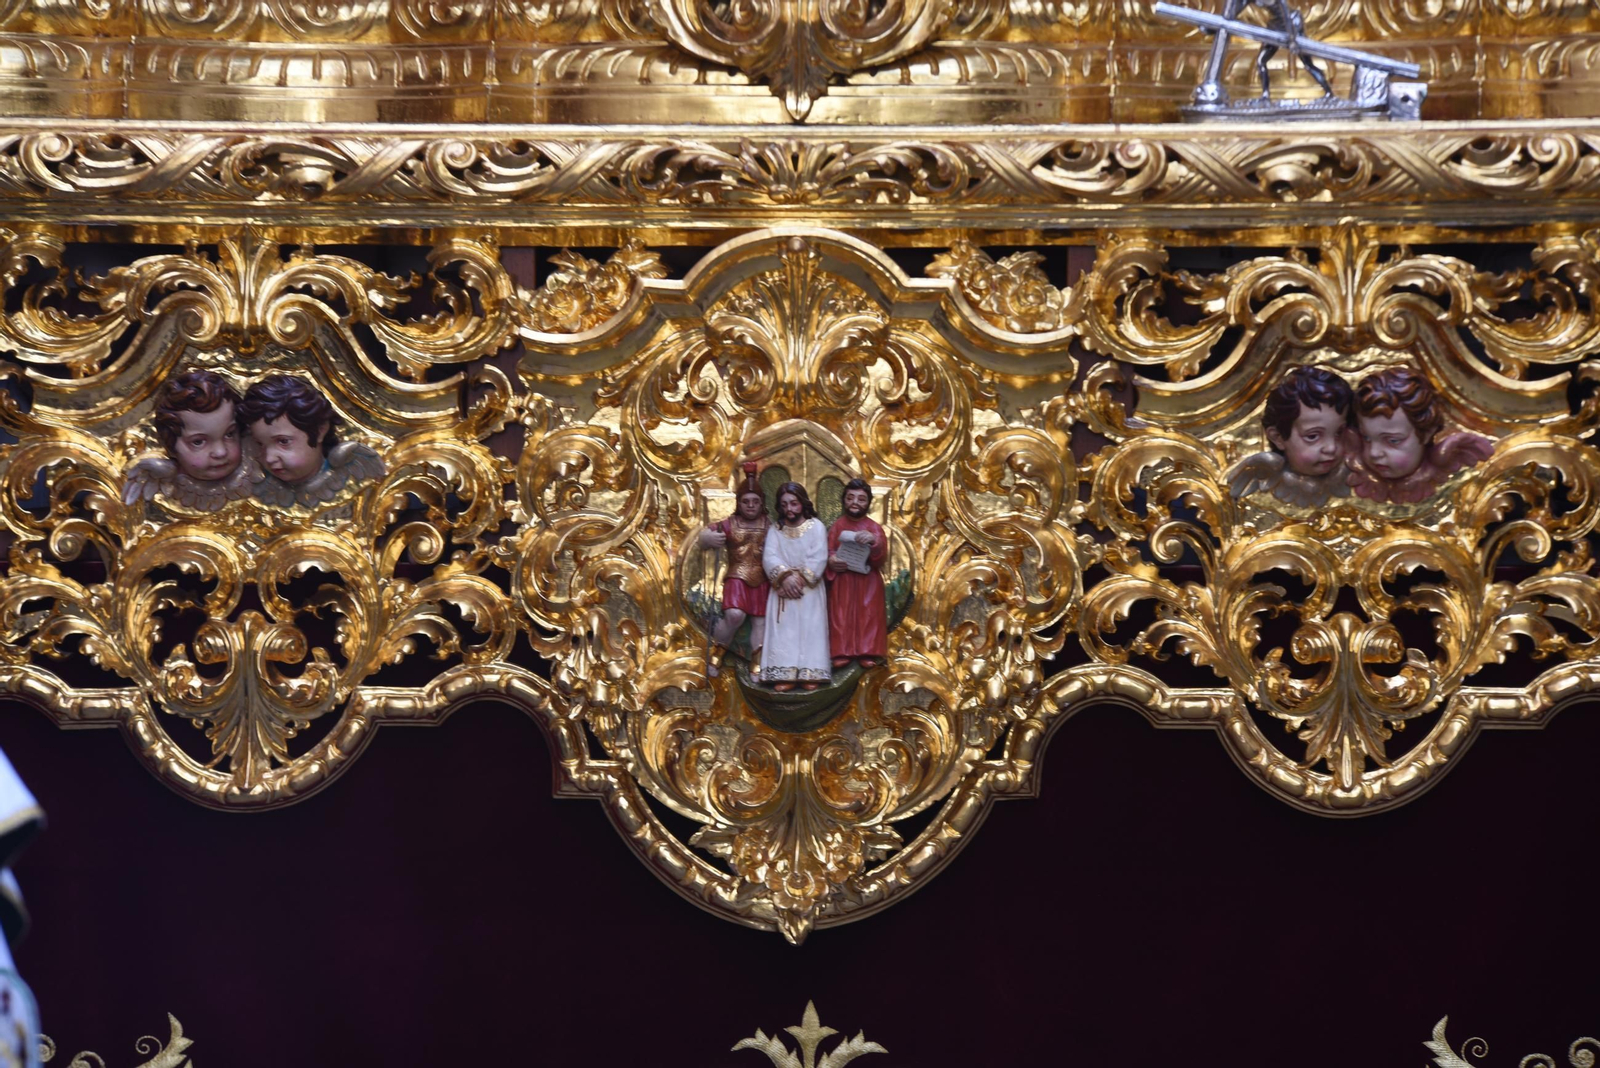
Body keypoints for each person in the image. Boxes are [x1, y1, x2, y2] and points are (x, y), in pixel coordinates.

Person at [1349, 366, 1494, 504]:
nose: (1374, 453)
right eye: (1366, 438)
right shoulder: (1355, 465)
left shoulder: (1442, 465)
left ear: (1426, 434)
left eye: (1392, 441)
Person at [238, 375, 385, 508]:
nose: (269, 458)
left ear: (320, 430)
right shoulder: (259, 483)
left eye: (283, 442)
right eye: (259, 444)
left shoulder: (348, 470)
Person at [123, 369, 260, 511]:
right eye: (198, 442)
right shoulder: (171, 481)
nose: (220, 452)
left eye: (230, 434)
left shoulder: (261, 456)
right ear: (170, 447)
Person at [1226, 366, 1355, 508]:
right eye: (1312, 436)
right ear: (1278, 438)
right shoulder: (1269, 473)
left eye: (1339, 433)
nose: (1331, 447)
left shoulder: (1354, 469)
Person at [698, 462, 770, 677]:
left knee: (760, 621)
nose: (750, 506)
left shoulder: (769, 525)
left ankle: (756, 664)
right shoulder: (730, 524)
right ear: (739, 503)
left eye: (755, 502)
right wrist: (708, 537)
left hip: (762, 578)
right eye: (746, 501)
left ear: (761, 503)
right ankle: (716, 655)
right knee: (735, 616)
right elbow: (702, 536)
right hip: (737, 576)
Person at [760, 482, 831, 692]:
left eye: (793, 503)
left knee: (810, 630)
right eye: (784, 505)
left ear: (802, 503)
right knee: (785, 632)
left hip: (808, 590)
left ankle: (811, 672)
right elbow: (769, 556)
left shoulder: (816, 526)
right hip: (782, 589)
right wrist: (784, 577)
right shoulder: (776, 530)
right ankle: (786, 672)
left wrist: (797, 579)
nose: (789, 509)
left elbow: (818, 556)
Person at [826, 478, 888, 670]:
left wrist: (873, 542)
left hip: (866, 581)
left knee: (867, 615)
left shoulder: (874, 528)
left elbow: (881, 555)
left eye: (861, 499)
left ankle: (866, 651)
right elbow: (828, 550)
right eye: (850, 497)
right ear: (844, 501)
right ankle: (841, 652)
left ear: (868, 503)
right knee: (841, 616)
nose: (855, 502)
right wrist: (831, 560)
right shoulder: (837, 526)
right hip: (843, 580)